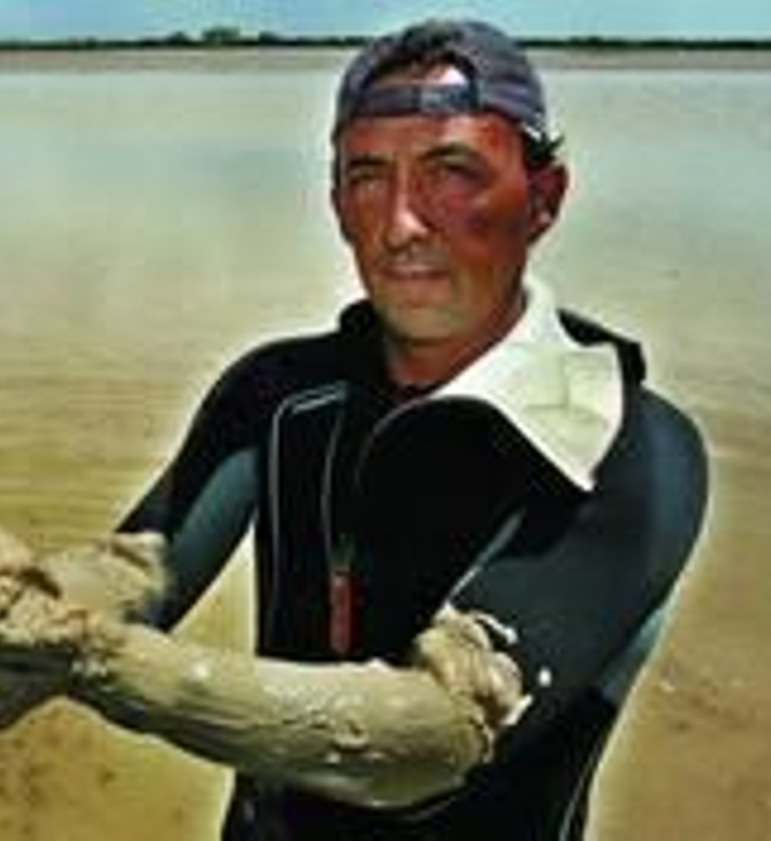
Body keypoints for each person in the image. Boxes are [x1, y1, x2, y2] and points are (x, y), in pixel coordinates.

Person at [108, 17, 709, 839]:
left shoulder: (631, 450)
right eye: (368, 178)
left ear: (544, 199)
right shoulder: (277, 395)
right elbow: (127, 578)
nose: (401, 226)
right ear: (336, 206)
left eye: (452, 171)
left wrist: (96, 663)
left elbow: (423, 737)